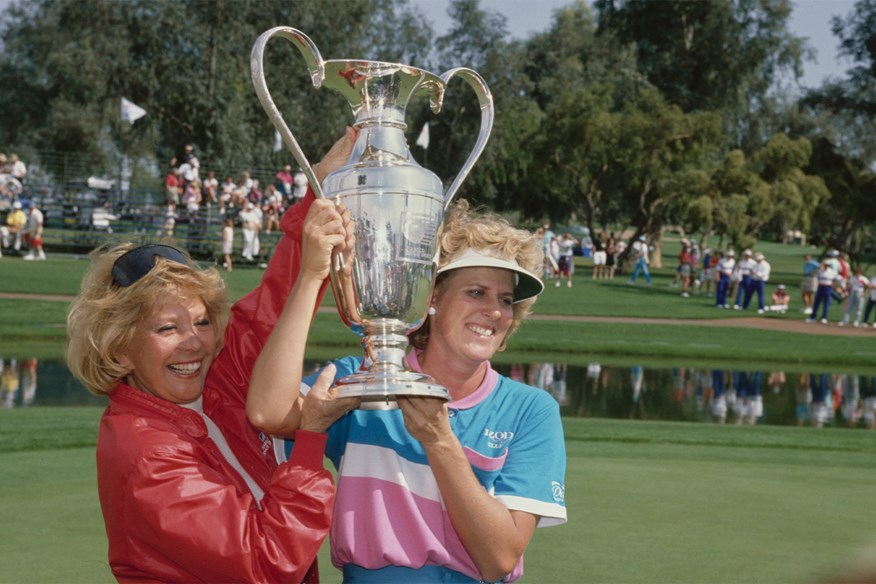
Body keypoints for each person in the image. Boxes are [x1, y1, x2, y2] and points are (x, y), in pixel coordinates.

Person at [64, 130, 359, 582]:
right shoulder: (147, 454)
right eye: (167, 328)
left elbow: (271, 312)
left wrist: (314, 195)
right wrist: (311, 441)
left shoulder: (215, 378)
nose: (194, 343)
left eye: (201, 322)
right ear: (120, 352)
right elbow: (267, 559)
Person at [248, 200, 567, 583]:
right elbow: (267, 411)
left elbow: (498, 557)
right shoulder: (365, 379)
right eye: (477, 292)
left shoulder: (530, 409)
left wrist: (439, 441)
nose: (495, 312)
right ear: (431, 298)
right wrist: (312, 275)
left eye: (505, 300)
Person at [807, 259, 839, 324]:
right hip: (821, 287)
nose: (826, 266)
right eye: (825, 265)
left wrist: (834, 286)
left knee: (826, 303)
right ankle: (813, 317)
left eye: (827, 265)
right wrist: (818, 267)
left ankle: (824, 317)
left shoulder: (832, 272)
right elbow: (812, 274)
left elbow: (836, 279)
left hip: (828, 287)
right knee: (816, 303)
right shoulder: (819, 271)